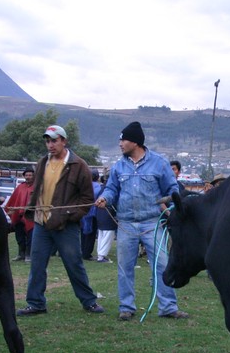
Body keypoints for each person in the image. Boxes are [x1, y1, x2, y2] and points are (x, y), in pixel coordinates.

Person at [96, 121, 188, 321]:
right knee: (124, 268)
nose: (120, 144)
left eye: (123, 140)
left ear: (135, 142)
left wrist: (173, 204)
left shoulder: (159, 163)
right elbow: (112, 189)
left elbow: (172, 188)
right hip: (126, 224)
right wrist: (106, 198)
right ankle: (126, 307)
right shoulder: (119, 166)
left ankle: (168, 307)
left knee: (162, 265)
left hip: (152, 223)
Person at [17, 125, 104, 316]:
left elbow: (86, 199)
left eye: (54, 140)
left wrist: (70, 216)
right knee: (37, 265)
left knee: (74, 264)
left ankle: (89, 301)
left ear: (64, 141)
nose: (50, 144)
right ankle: (36, 303)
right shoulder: (42, 163)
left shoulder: (79, 165)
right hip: (42, 223)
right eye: (47, 141)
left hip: (66, 226)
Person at [5, 168, 35, 261]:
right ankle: (21, 254)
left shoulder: (37, 187)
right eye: (26, 175)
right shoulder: (20, 187)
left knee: (30, 237)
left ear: (34, 176)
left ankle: (28, 255)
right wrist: (13, 211)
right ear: (24, 176)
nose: (28, 177)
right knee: (19, 236)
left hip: (31, 217)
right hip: (19, 216)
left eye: (30, 175)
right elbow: (14, 200)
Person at [80, 169, 102, 260]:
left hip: (83, 212)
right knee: (91, 234)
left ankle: (82, 251)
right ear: (97, 177)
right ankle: (86, 253)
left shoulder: (83, 186)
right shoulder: (98, 187)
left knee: (83, 233)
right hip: (93, 213)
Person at [95, 176, 117, 263]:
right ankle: (102, 256)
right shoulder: (110, 192)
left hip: (100, 215)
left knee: (101, 235)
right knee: (108, 236)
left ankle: (100, 254)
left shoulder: (101, 189)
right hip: (108, 215)